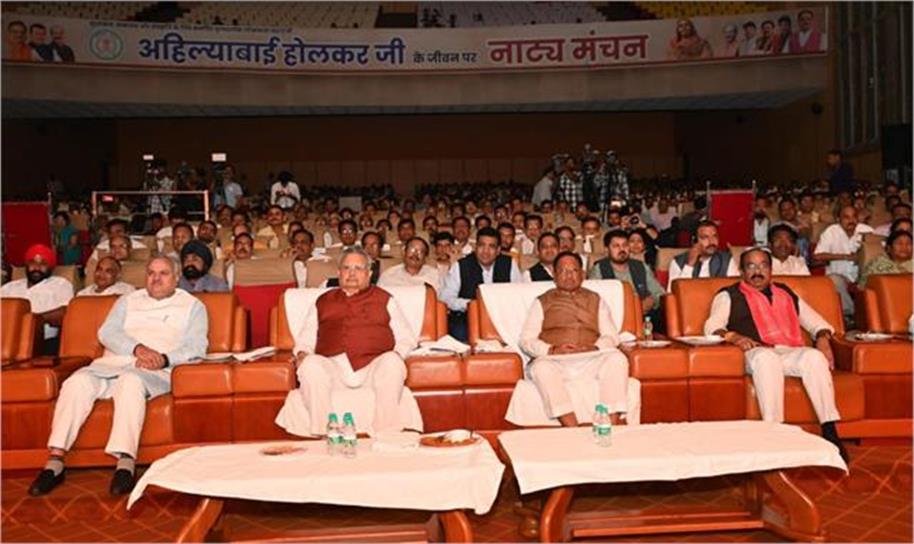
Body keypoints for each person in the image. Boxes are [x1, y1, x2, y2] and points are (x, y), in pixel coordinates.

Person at [704, 248, 847, 461]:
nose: (757, 271)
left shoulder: (785, 293)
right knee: (767, 358)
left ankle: (829, 430)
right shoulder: (728, 295)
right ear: (741, 271)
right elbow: (711, 327)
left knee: (814, 357)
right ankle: (774, 432)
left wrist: (823, 338)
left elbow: (816, 322)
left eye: (763, 265)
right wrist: (734, 336)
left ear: (771, 270)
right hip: (753, 352)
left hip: (788, 350)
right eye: (751, 266)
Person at [288, 248, 416, 435]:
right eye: (347, 268)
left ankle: (386, 433)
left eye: (358, 268)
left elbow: (406, 338)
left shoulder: (385, 299)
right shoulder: (323, 301)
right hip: (333, 368)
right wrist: (302, 353)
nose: (352, 273)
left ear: (369, 274)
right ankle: (325, 433)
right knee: (310, 365)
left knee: (392, 362)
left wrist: (397, 355)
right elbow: (306, 337)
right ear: (339, 273)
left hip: (374, 367)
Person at [520, 251, 630, 427]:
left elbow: (611, 336)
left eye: (573, 270)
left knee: (617, 359)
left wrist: (594, 348)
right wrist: (552, 350)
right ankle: (572, 428)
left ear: (582, 274)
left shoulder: (596, 299)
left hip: (590, 358)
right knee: (541, 368)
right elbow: (526, 340)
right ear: (554, 275)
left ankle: (611, 425)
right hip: (556, 360)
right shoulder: (542, 301)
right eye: (563, 271)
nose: (569, 276)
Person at [441, 227, 523, 341]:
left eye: (491, 247)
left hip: (502, 317)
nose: (485, 251)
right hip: (467, 317)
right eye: (481, 245)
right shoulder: (460, 266)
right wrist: (472, 304)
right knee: (459, 332)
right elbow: (445, 298)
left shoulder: (509, 264)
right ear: (475, 247)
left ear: (498, 250)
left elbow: (518, 295)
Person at [1, 244, 74, 349]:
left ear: (51, 267)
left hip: (43, 342)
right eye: (32, 262)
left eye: (43, 263)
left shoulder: (60, 284)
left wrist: (33, 321)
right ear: (26, 265)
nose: (37, 267)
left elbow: (66, 311)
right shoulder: (9, 287)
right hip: (6, 339)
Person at [813, 205, 873, 323]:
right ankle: (851, 313)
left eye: (854, 216)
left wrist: (862, 254)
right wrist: (846, 257)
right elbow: (817, 256)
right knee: (834, 280)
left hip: (863, 274)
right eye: (846, 217)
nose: (851, 220)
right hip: (840, 275)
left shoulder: (867, 230)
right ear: (838, 219)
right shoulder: (831, 231)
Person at [590, 230, 664, 320]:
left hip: (642, 316)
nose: (622, 249)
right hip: (613, 318)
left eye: (625, 245)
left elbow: (659, 293)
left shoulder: (641, 266)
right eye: (616, 246)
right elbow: (593, 300)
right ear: (607, 250)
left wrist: (652, 301)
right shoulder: (599, 269)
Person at [667, 221, 739, 290]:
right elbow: (672, 294)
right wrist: (689, 265)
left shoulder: (726, 260)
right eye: (705, 237)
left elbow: (736, 291)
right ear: (694, 241)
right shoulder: (677, 262)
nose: (711, 241)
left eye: (714, 236)